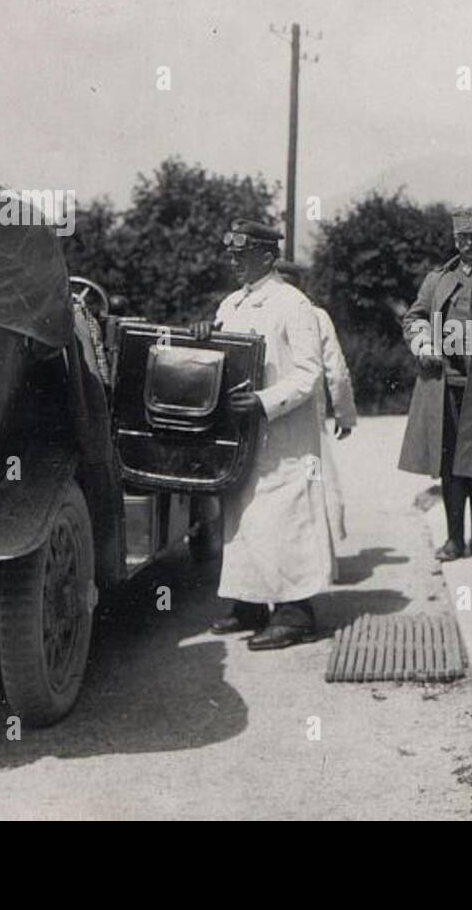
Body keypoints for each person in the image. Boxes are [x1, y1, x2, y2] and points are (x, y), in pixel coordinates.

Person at [193, 219, 333, 648]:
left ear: (268, 256)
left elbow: (310, 373)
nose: (234, 259)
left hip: (283, 436)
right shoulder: (232, 304)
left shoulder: (293, 304)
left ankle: (295, 612)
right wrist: (204, 336)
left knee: (283, 520)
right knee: (245, 516)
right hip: (244, 434)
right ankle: (250, 603)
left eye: (244, 252)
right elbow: (221, 359)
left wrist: (264, 402)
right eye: (232, 252)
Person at [398, 207, 472, 562]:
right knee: (449, 465)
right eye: (462, 237)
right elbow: (414, 318)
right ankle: (454, 540)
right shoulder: (438, 280)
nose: (469, 243)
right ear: (454, 238)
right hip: (445, 385)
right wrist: (423, 344)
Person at [274, 259, 354, 566]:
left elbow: (336, 370)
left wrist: (344, 414)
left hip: (296, 416)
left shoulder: (314, 316)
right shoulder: (317, 316)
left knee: (304, 484)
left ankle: (313, 561)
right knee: (313, 486)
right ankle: (320, 559)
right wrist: (345, 416)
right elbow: (336, 369)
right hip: (304, 420)